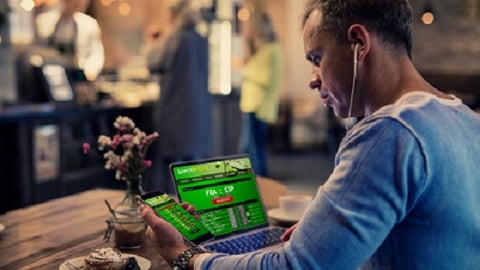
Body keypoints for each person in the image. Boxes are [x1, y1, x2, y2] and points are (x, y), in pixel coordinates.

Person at [139, 0, 480, 269]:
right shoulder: (464, 118)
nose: (312, 78)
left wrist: (185, 256)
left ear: (359, 42)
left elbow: (297, 266)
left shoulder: (391, 132)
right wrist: (327, 229)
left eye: (317, 58)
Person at [144, 0, 212, 193]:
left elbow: (153, 63)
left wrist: (152, 42)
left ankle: (175, 216)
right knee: (195, 171)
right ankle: (197, 212)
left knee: (174, 171)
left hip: (176, 113)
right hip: (197, 115)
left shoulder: (175, 39)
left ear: (174, 15)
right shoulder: (201, 39)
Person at [235, 10, 282, 177]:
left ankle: (259, 183)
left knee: (252, 149)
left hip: (258, 106)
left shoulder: (270, 49)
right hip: (254, 105)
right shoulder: (266, 48)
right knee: (252, 148)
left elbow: (263, 77)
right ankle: (258, 182)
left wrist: (243, 68)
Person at [35, 0, 104, 81]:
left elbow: (96, 54)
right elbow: (36, 52)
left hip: (78, 78)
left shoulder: (89, 24)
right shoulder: (43, 21)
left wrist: (90, 71)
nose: (79, 4)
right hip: (51, 78)